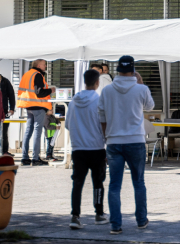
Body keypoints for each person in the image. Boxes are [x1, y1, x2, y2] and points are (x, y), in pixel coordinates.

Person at [98, 55, 154, 234]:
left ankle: (115, 225)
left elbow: (101, 117)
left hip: (114, 142)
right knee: (138, 182)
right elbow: (150, 107)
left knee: (114, 185)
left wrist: (106, 138)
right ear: (133, 70)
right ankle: (141, 220)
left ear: (117, 71)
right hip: (136, 141)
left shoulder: (107, 90)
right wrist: (141, 82)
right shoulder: (141, 89)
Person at [65, 69, 109, 229]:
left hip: (78, 148)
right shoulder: (99, 102)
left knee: (77, 183)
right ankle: (99, 214)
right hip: (96, 148)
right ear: (97, 83)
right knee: (98, 182)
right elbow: (104, 125)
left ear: (84, 81)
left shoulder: (73, 102)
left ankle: (75, 216)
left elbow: (68, 124)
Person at [17, 59, 53, 166]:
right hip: (38, 106)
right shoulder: (37, 75)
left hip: (28, 106)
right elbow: (39, 92)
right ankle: (35, 158)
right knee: (37, 132)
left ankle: (24, 158)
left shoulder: (27, 74)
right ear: (38, 65)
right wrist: (51, 90)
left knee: (28, 131)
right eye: (44, 64)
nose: (46, 66)